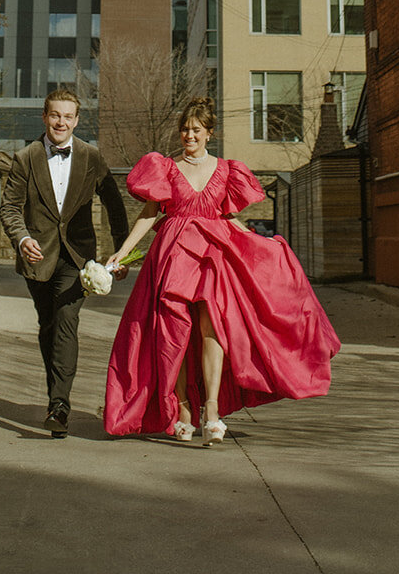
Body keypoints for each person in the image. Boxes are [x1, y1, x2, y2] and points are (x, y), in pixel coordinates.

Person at [103, 95, 340, 443]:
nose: (189, 135)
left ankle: (211, 409)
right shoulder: (166, 167)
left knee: (212, 326)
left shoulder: (228, 170)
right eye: (184, 129)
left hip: (213, 254)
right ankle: (183, 407)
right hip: (173, 253)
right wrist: (122, 252)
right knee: (175, 332)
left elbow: (228, 216)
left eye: (196, 130)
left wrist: (263, 245)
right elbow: (150, 214)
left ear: (209, 132)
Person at [0, 86, 130, 438]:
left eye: (68, 116)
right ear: (45, 117)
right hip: (38, 258)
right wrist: (23, 238)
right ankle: (55, 395)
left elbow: (114, 206)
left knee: (66, 321)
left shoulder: (91, 157)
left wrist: (120, 252)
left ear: (76, 120)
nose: (61, 122)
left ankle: (59, 407)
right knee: (48, 325)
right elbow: (9, 207)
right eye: (55, 115)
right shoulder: (26, 157)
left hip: (77, 258)